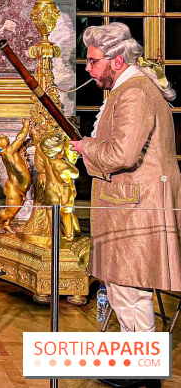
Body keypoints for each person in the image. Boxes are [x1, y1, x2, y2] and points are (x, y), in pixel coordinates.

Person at [69, 24, 181, 346]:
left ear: (116, 62)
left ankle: (143, 364)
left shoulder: (134, 92)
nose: (88, 68)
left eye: (93, 61)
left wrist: (86, 146)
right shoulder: (128, 88)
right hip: (130, 203)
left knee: (131, 292)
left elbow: (123, 154)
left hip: (137, 205)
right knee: (123, 288)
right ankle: (132, 358)